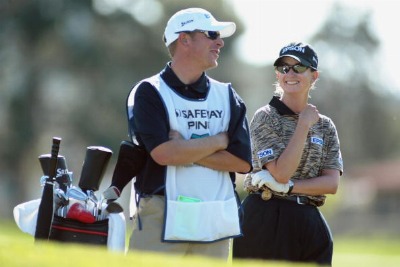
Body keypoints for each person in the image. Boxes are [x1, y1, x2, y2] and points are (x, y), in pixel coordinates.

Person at [126, 8, 252, 260]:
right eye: (211, 34)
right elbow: (163, 154)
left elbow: (242, 162)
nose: (220, 41)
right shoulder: (149, 91)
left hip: (214, 216)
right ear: (184, 39)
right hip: (160, 214)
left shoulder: (227, 95)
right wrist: (217, 141)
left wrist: (185, 149)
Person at [232, 42, 343, 266]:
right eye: (284, 68)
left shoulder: (325, 125)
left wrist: (291, 187)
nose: (290, 73)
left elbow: (331, 184)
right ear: (278, 74)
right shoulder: (265, 117)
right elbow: (281, 173)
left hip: (309, 217)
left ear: (314, 76)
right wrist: (303, 125)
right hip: (266, 216)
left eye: (299, 67)